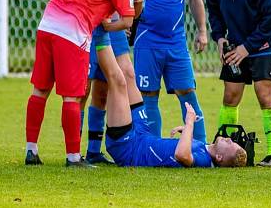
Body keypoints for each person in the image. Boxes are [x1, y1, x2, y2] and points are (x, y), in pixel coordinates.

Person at [24, 0, 155, 167]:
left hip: (47, 24)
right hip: (73, 33)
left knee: (40, 90)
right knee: (72, 96)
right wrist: (109, 23)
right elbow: (127, 22)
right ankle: (73, 157)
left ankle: (31, 150)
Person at [81, 0, 172, 165]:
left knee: (116, 81)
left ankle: (98, 149)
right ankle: (73, 151)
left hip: (116, 29)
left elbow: (134, 18)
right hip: (94, 23)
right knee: (83, 90)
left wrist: (138, 2)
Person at [204, 0, 271, 167]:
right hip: (235, 45)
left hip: (263, 46)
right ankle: (222, 147)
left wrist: (247, 48)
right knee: (230, 94)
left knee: (263, 93)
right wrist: (219, 37)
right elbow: (214, 12)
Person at [133, 0, 209, 142]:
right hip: (146, 40)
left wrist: (202, 31)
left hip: (176, 42)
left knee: (187, 93)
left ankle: (201, 145)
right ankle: (150, 146)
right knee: (148, 95)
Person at [103, 58, 247, 168]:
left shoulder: (204, 159)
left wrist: (189, 123)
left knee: (117, 82)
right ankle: (112, 28)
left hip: (129, 149)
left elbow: (182, 155)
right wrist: (186, 132)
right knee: (128, 73)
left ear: (220, 157)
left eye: (230, 144)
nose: (229, 139)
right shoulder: (206, 148)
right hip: (142, 135)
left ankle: (99, 34)